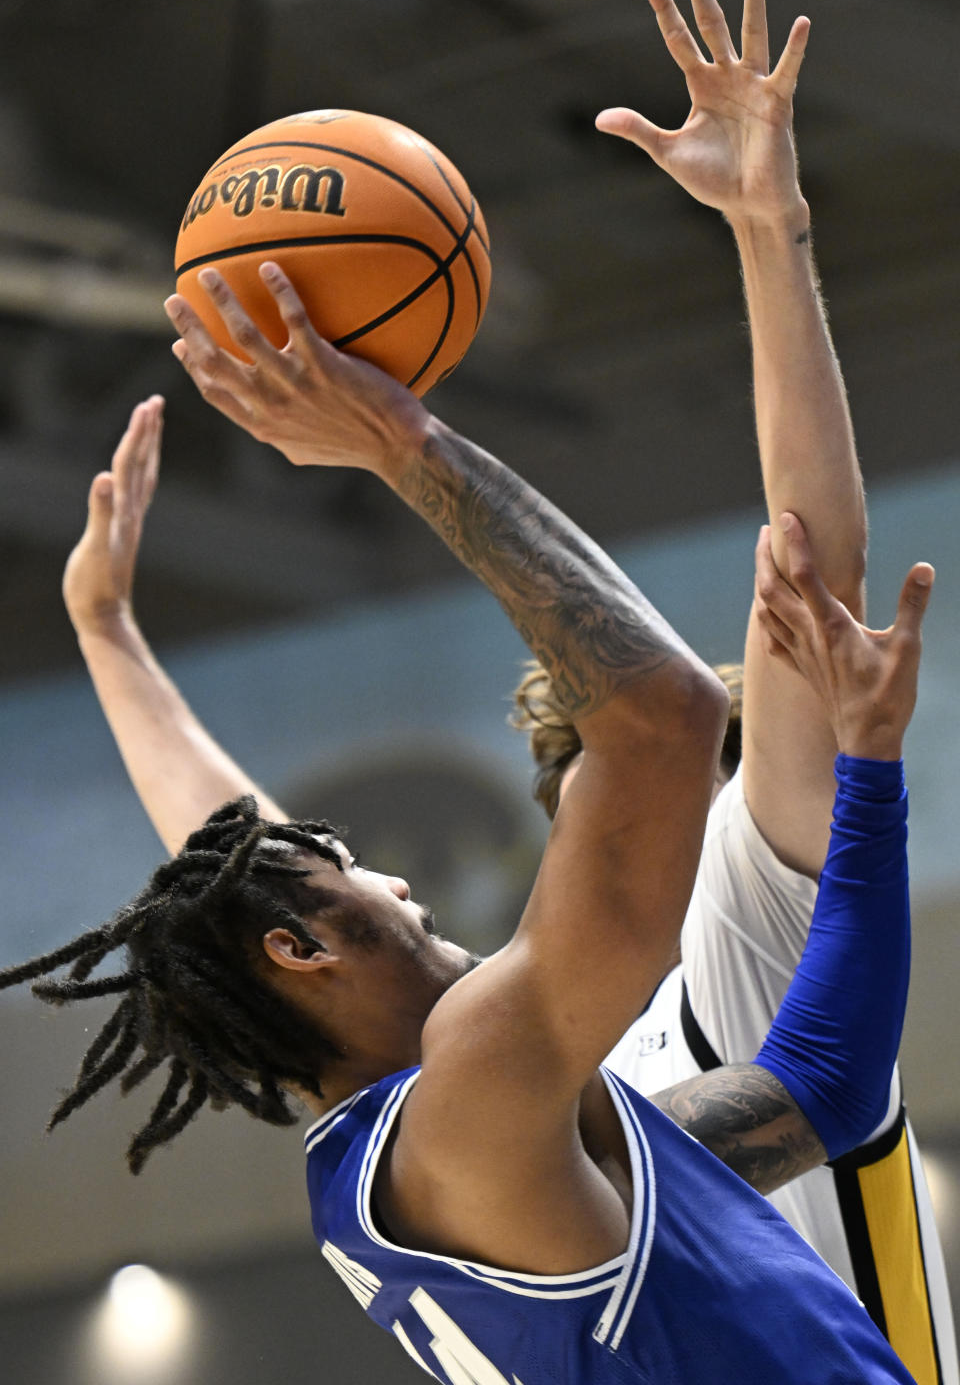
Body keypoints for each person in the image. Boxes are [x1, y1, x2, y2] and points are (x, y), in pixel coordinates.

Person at [0, 344, 933, 1382]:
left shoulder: (441, 1152)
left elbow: (826, 1087)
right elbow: (668, 717)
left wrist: (109, 637)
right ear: (302, 949)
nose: (400, 885)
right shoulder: (474, 1099)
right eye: (356, 869)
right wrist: (404, 443)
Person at [511, 0, 956, 1380]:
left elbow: (808, 562)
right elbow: (266, 894)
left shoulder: (744, 914)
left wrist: (770, 230)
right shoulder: (553, 1046)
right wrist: (107, 634)